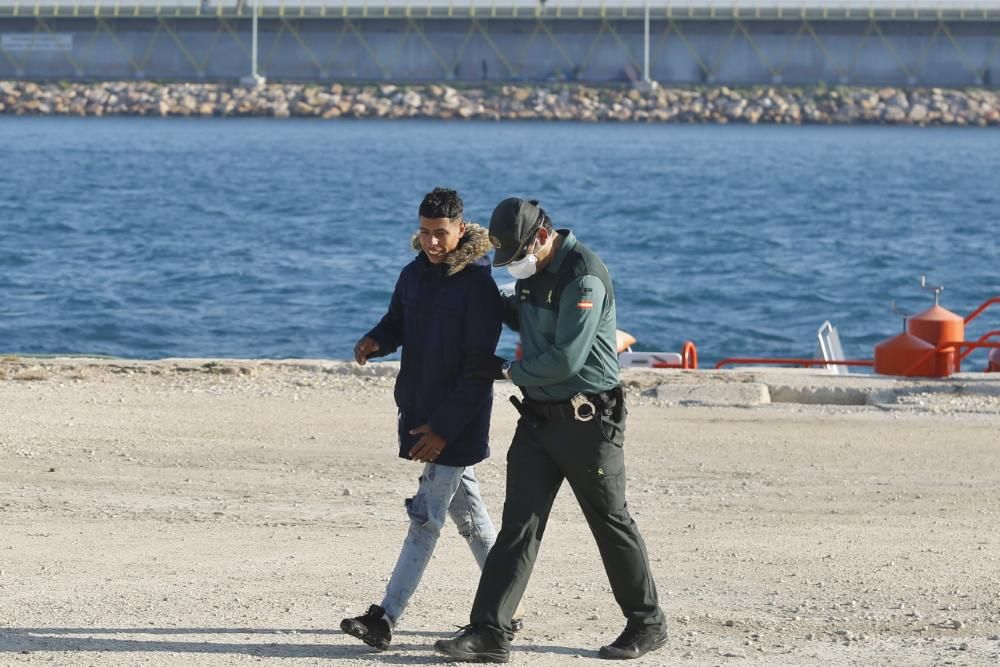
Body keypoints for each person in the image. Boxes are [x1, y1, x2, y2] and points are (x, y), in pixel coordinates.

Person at [434, 198, 667, 662]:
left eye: (515, 256)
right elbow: (524, 317)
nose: (512, 266)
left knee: (609, 521)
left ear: (541, 237)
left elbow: (565, 359)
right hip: (538, 420)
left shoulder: (583, 274)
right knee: (519, 525)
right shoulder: (532, 269)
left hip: (588, 423)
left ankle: (647, 624)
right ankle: (488, 632)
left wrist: (502, 371)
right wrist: (475, 286)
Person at [340, 187, 522, 651]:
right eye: (424, 233)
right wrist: (375, 340)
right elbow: (396, 322)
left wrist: (443, 430)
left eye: (440, 234)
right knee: (472, 519)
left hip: (453, 424)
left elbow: (478, 371)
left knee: (425, 518)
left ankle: (384, 617)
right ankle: (505, 609)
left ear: (461, 230)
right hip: (420, 413)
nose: (432, 243)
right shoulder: (412, 275)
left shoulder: (479, 287)